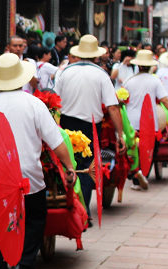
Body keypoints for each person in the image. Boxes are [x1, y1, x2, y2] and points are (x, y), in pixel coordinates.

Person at [0, 53, 77, 269]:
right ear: (21, 78)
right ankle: (25, 262)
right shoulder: (34, 104)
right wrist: (69, 166)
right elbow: (56, 141)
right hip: (29, 176)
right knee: (35, 217)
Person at [53, 34, 124, 216]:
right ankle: (83, 211)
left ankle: (68, 203)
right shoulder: (101, 75)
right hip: (90, 127)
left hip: (66, 125)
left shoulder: (65, 72)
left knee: (67, 165)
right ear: (96, 55)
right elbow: (113, 107)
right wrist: (120, 135)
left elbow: (54, 103)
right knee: (87, 168)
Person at [124, 50, 168, 188]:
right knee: (149, 149)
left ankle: (134, 173)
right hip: (149, 122)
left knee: (132, 149)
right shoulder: (155, 81)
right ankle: (143, 175)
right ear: (150, 66)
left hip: (131, 122)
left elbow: (122, 100)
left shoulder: (129, 81)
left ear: (138, 65)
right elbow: (165, 100)